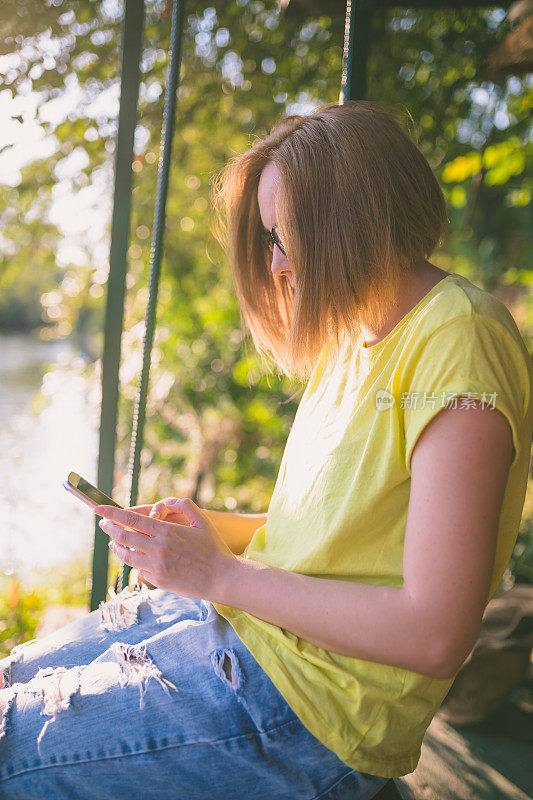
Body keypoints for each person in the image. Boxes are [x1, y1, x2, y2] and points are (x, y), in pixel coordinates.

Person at [0, 100, 531, 799]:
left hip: (309, 712)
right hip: (238, 639)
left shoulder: (457, 343)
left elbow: (432, 632)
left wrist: (217, 576)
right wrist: (204, 536)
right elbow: (335, 544)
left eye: (282, 236)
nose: (275, 264)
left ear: (346, 224)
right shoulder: (356, 337)